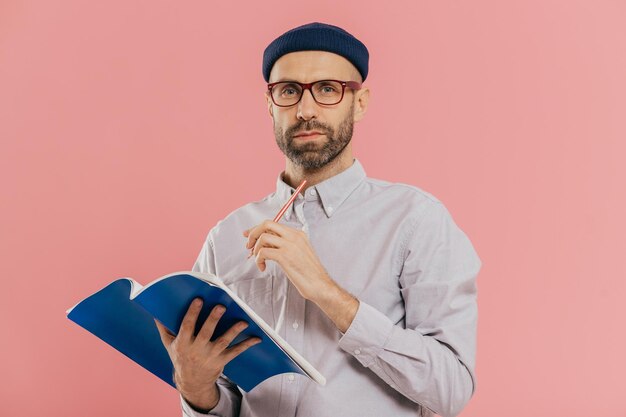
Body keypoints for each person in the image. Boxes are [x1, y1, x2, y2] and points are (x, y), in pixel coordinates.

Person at [155, 22, 482, 417]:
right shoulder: (225, 237)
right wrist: (194, 390)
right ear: (270, 103)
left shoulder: (416, 221)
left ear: (358, 103)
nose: (306, 110)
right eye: (289, 91)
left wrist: (328, 293)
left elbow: (451, 389)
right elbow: (226, 402)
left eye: (328, 89)